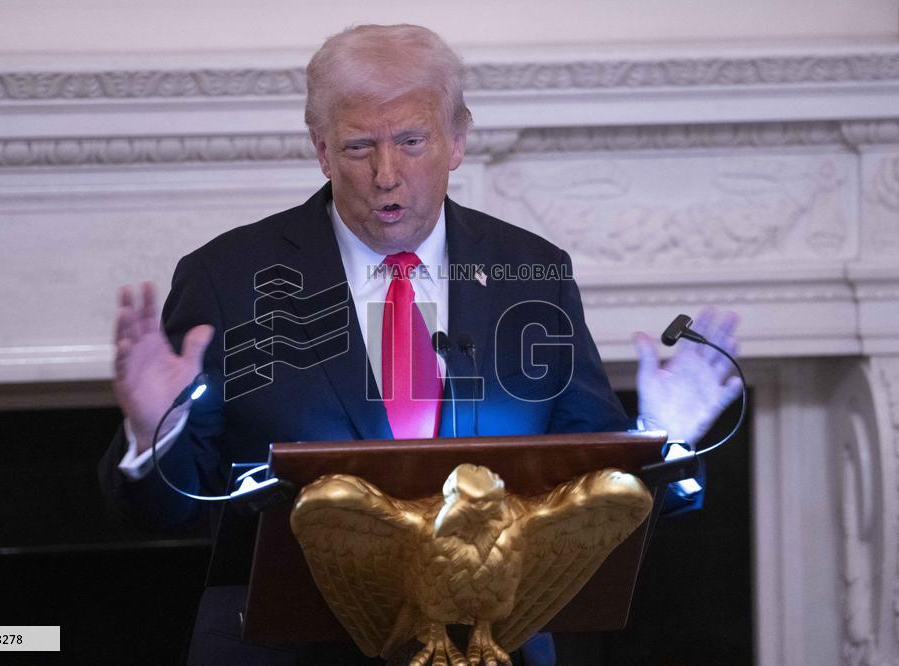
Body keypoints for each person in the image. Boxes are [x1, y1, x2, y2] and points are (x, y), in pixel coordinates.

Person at [99, 24, 742, 666]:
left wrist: (666, 436)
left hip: (491, 645)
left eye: (411, 141)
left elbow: (590, 491)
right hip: (288, 650)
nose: (386, 174)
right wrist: (156, 432)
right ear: (321, 150)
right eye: (358, 147)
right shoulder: (230, 278)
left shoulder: (530, 271)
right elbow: (170, 509)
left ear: (457, 139)